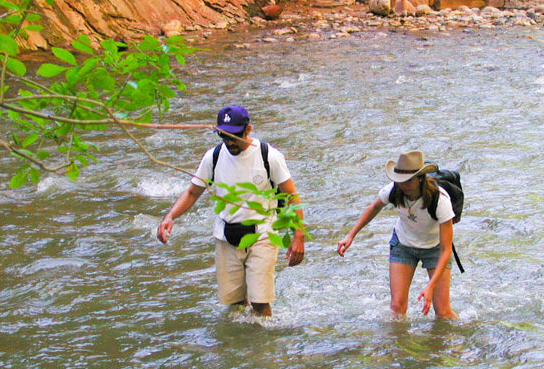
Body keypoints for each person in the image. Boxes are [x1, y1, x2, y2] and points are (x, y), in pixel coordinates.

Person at [157, 105, 305, 318]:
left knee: (260, 303)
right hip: (225, 237)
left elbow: (292, 196)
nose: (229, 142)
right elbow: (192, 192)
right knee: (234, 306)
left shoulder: (269, 156)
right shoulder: (213, 157)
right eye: (224, 136)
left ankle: (264, 349)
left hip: (262, 235)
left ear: (248, 130)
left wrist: (298, 235)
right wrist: (169, 217)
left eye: (235, 136)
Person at [337, 151, 457, 320]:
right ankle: (397, 345)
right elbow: (374, 207)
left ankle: (462, 338)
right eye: (399, 181)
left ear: (420, 179)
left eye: (408, 181)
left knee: (443, 312)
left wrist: (431, 285)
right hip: (403, 245)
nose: (403, 185)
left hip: (435, 249)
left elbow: (446, 250)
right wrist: (350, 236)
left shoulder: (439, 199)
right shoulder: (394, 190)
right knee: (397, 308)